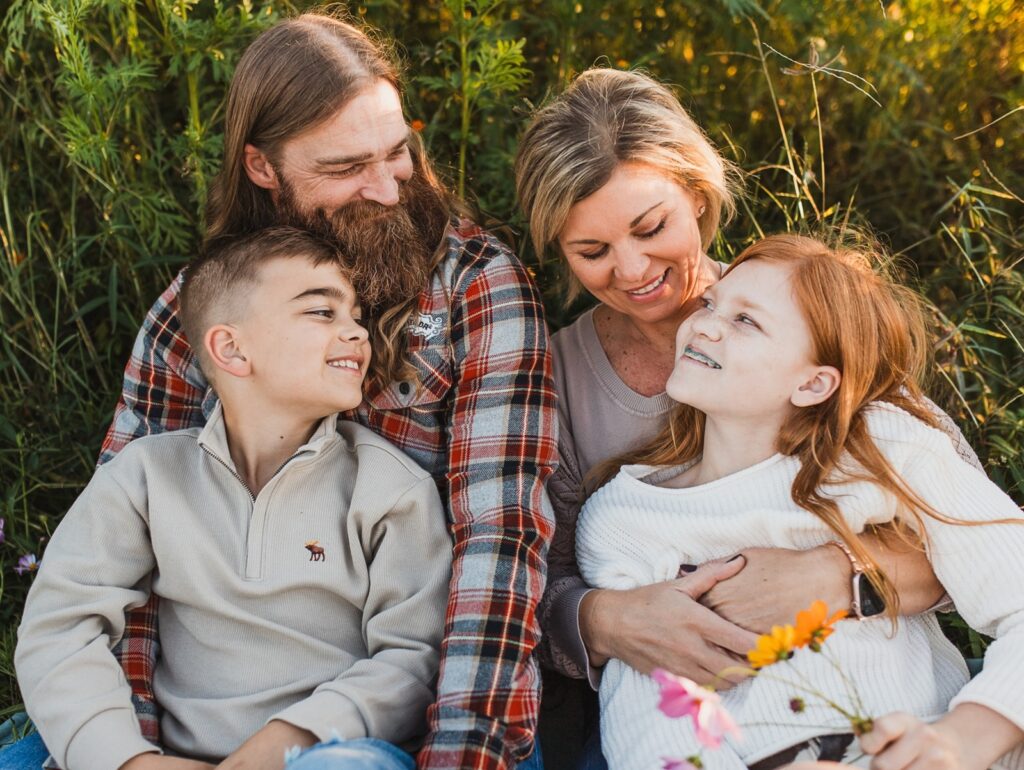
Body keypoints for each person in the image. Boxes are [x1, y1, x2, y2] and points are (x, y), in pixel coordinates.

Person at [97, 12, 556, 770]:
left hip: (401, 723)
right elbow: (124, 553)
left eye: (397, 152)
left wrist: (463, 754)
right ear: (262, 167)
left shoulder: (477, 286)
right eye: (345, 168)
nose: (385, 189)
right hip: (193, 726)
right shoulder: (203, 311)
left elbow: (499, 538)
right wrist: (133, 748)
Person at [513, 68, 969, 766]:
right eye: (592, 252)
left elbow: (968, 527)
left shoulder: (801, 310)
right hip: (675, 726)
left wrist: (835, 578)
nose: (631, 270)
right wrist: (605, 619)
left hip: (866, 705)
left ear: (697, 195)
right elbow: (528, 580)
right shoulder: (553, 378)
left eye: (650, 228)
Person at [575, 233, 1024, 770]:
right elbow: (647, 716)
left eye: (747, 321)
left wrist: (964, 737)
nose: (704, 325)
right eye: (710, 303)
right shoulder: (625, 518)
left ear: (813, 384)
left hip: (926, 745)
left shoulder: (882, 447)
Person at [14, 227, 452, 770]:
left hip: (334, 751)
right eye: (322, 312)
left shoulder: (387, 488)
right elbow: (59, 624)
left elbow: (415, 657)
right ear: (232, 349)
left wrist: (290, 738)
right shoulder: (146, 477)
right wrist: (126, 760)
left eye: (356, 316)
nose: (358, 333)